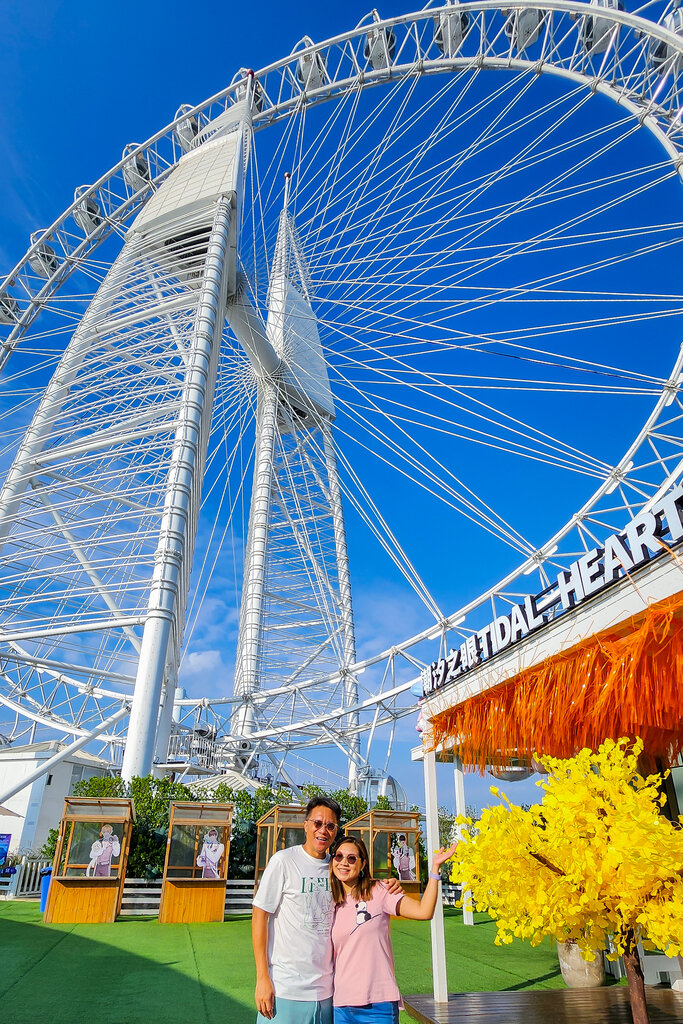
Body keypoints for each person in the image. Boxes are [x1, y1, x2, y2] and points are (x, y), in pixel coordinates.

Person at [251, 797, 403, 1024]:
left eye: (330, 826)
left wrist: (389, 884)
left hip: (327, 993)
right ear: (305, 825)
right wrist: (262, 978)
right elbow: (259, 917)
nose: (323, 830)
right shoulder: (284, 861)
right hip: (285, 989)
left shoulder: (337, 866)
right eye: (318, 823)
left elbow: (361, 885)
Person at [329, 835, 457, 1024]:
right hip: (341, 1006)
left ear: (362, 864)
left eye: (352, 858)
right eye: (338, 856)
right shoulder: (329, 901)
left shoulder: (379, 891)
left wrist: (435, 869)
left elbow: (424, 911)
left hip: (379, 1005)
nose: (343, 862)